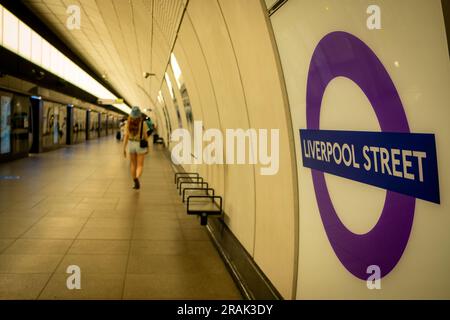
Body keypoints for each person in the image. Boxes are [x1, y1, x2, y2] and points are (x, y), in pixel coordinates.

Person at [123, 107, 150, 189]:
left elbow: (126, 137)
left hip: (131, 144)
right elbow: (145, 136)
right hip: (140, 145)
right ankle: (137, 178)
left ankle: (134, 180)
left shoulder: (127, 124)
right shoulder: (143, 124)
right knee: (140, 165)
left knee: (132, 164)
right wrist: (148, 147)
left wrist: (124, 148)